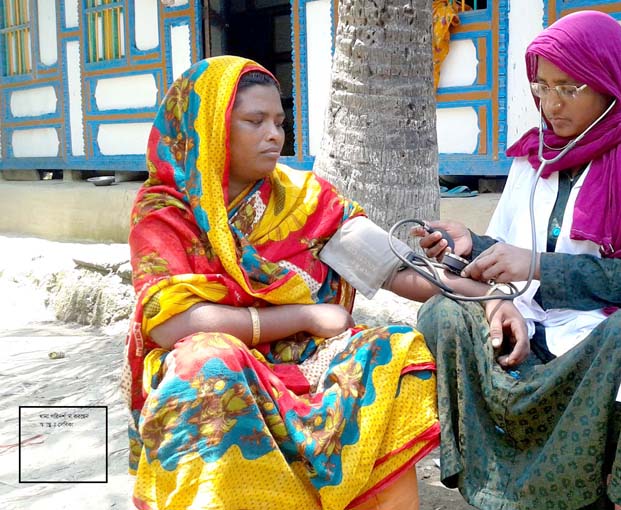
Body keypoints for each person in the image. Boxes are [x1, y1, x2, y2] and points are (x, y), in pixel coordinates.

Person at [123, 55, 518, 510]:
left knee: (396, 349)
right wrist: (306, 314)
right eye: (255, 121)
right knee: (211, 363)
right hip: (217, 356)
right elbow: (170, 324)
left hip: (304, 352)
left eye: (279, 120)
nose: (275, 134)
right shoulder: (164, 213)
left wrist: (487, 298)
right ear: (208, 128)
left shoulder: (303, 199)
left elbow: (400, 268)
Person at [414, 10, 621, 510]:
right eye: (541, 86)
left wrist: (536, 268)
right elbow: (514, 250)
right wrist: (471, 245)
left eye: (569, 87)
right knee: (442, 314)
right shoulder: (536, 158)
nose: (550, 104)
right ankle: (500, 484)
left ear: (610, 83)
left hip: (603, 336)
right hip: (532, 322)